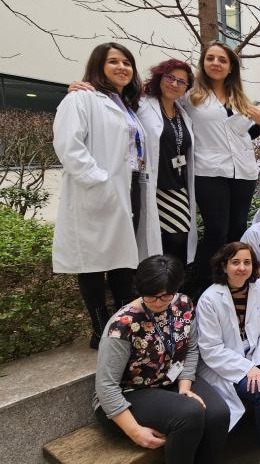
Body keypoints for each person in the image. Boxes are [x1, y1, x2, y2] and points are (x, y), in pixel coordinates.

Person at [54, 43, 158, 348]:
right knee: (93, 262)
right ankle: (99, 328)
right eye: (113, 61)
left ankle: (124, 321)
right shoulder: (81, 98)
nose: (122, 67)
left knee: (123, 258)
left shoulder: (127, 104)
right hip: (99, 190)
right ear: (99, 66)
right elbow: (69, 146)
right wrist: (99, 181)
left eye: (127, 62)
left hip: (130, 186)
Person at [94, 255, 229, 463]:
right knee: (190, 413)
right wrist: (135, 432)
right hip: (129, 393)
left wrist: (185, 387)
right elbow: (106, 387)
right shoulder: (122, 325)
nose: (158, 302)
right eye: (151, 296)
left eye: (165, 296)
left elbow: (191, 348)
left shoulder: (183, 304)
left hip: (170, 379)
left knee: (218, 413)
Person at [196, 243, 260, 463]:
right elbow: (211, 349)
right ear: (224, 266)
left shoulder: (259, 288)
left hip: (257, 354)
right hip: (228, 363)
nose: (242, 268)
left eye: (247, 262)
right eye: (235, 262)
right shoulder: (209, 299)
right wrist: (248, 368)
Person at [182, 42, 260, 287]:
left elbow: (241, 135)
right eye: (211, 58)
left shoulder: (239, 98)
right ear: (203, 63)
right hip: (209, 170)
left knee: (236, 230)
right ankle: (200, 285)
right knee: (216, 230)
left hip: (243, 171)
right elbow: (156, 100)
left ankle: (231, 283)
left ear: (231, 67)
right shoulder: (190, 97)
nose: (216, 63)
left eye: (222, 60)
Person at [137, 58, 197, 266]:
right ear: (159, 77)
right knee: (161, 244)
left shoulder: (182, 113)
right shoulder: (141, 104)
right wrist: (83, 87)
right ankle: (156, 292)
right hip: (154, 186)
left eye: (181, 82)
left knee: (178, 240)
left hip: (178, 186)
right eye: (170, 77)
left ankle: (173, 291)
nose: (174, 84)